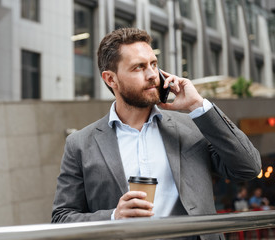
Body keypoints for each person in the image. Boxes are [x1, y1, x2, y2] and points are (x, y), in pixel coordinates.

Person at [52, 28, 261, 240]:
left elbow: (248, 168)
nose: (152, 75)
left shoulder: (192, 127)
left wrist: (198, 105)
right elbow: (62, 218)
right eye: (139, 67)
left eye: (153, 64)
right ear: (111, 79)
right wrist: (114, 217)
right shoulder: (80, 143)